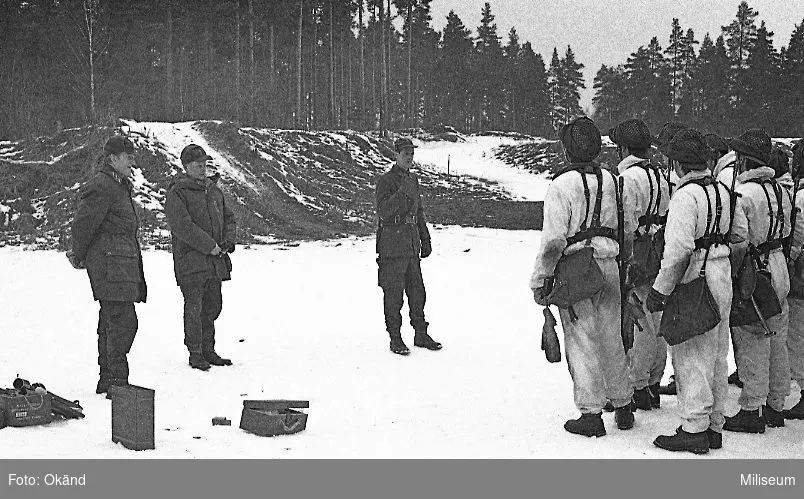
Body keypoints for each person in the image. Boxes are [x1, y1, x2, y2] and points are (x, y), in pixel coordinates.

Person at [531, 116, 634, 437]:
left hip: (577, 269)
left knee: (581, 341)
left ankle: (590, 414)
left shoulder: (561, 185)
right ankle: (623, 403)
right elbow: (627, 229)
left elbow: (553, 241)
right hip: (611, 265)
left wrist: (540, 279)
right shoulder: (616, 182)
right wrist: (623, 266)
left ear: (567, 150)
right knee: (612, 337)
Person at [648, 128, 745, 454]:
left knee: (690, 356)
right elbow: (739, 237)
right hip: (721, 274)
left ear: (678, 163)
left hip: (694, 278)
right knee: (717, 356)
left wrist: (660, 291)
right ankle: (713, 425)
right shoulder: (721, 190)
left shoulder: (685, 197)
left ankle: (693, 428)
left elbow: (677, 252)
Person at [723, 130, 793, 433]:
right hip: (778, 264)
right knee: (778, 337)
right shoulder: (779, 189)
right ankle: (776, 405)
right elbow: (788, 229)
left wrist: (735, 276)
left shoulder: (743, 194)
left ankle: (752, 408)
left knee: (752, 337)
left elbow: (739, 239)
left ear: (743, 159)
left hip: (756, 268)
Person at [68, 136, 147, 394]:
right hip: (110, 266)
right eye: (128, 156)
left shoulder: (118, 185)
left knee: (112, 321)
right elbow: (84, 224)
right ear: (113, 159)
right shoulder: (102, 185)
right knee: (123, 322)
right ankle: (115, 380)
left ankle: (109, 380)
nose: (133, 161)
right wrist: (78, 255)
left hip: (120, 265)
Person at [610, 119, 670, 411]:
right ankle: (653, 382)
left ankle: (637, 386)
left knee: (639, 318)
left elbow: (627, 224)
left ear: (623, 149)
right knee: (657, 320)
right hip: (659, 248)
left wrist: (625, 259)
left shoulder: (627, 179)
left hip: (638, 252)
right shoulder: (659, 174)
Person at [165, 144, 237, 371]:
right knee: (194, 308)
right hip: (191, 262)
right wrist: (210, 246)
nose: (202, 168)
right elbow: (182, 227)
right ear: (186, 166)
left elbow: (229, 218)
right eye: (197, 165)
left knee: (213, 305)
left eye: (204, 164)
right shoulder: (177, 192)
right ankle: (195, 352)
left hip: (215, 261)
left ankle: (209, 349)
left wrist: (227, 241)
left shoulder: (214, 190)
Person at [375, 137, 441, 355]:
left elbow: (418, 212)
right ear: (396, 155)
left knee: (418, 293)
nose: (409, 157)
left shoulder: (413, 180)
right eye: (405, 153)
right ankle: (395, 337)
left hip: (411, 247)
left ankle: (421, 334)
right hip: (392, 248)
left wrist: (426, 239)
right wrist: (401, 192)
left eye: (412, 154)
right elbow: (384, 211)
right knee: (393, 295)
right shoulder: (386, 181)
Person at [785, 140, 804, 419]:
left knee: (798, 333)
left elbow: (797, 236)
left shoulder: (801, 197)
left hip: (802, 274)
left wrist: (787, 261)